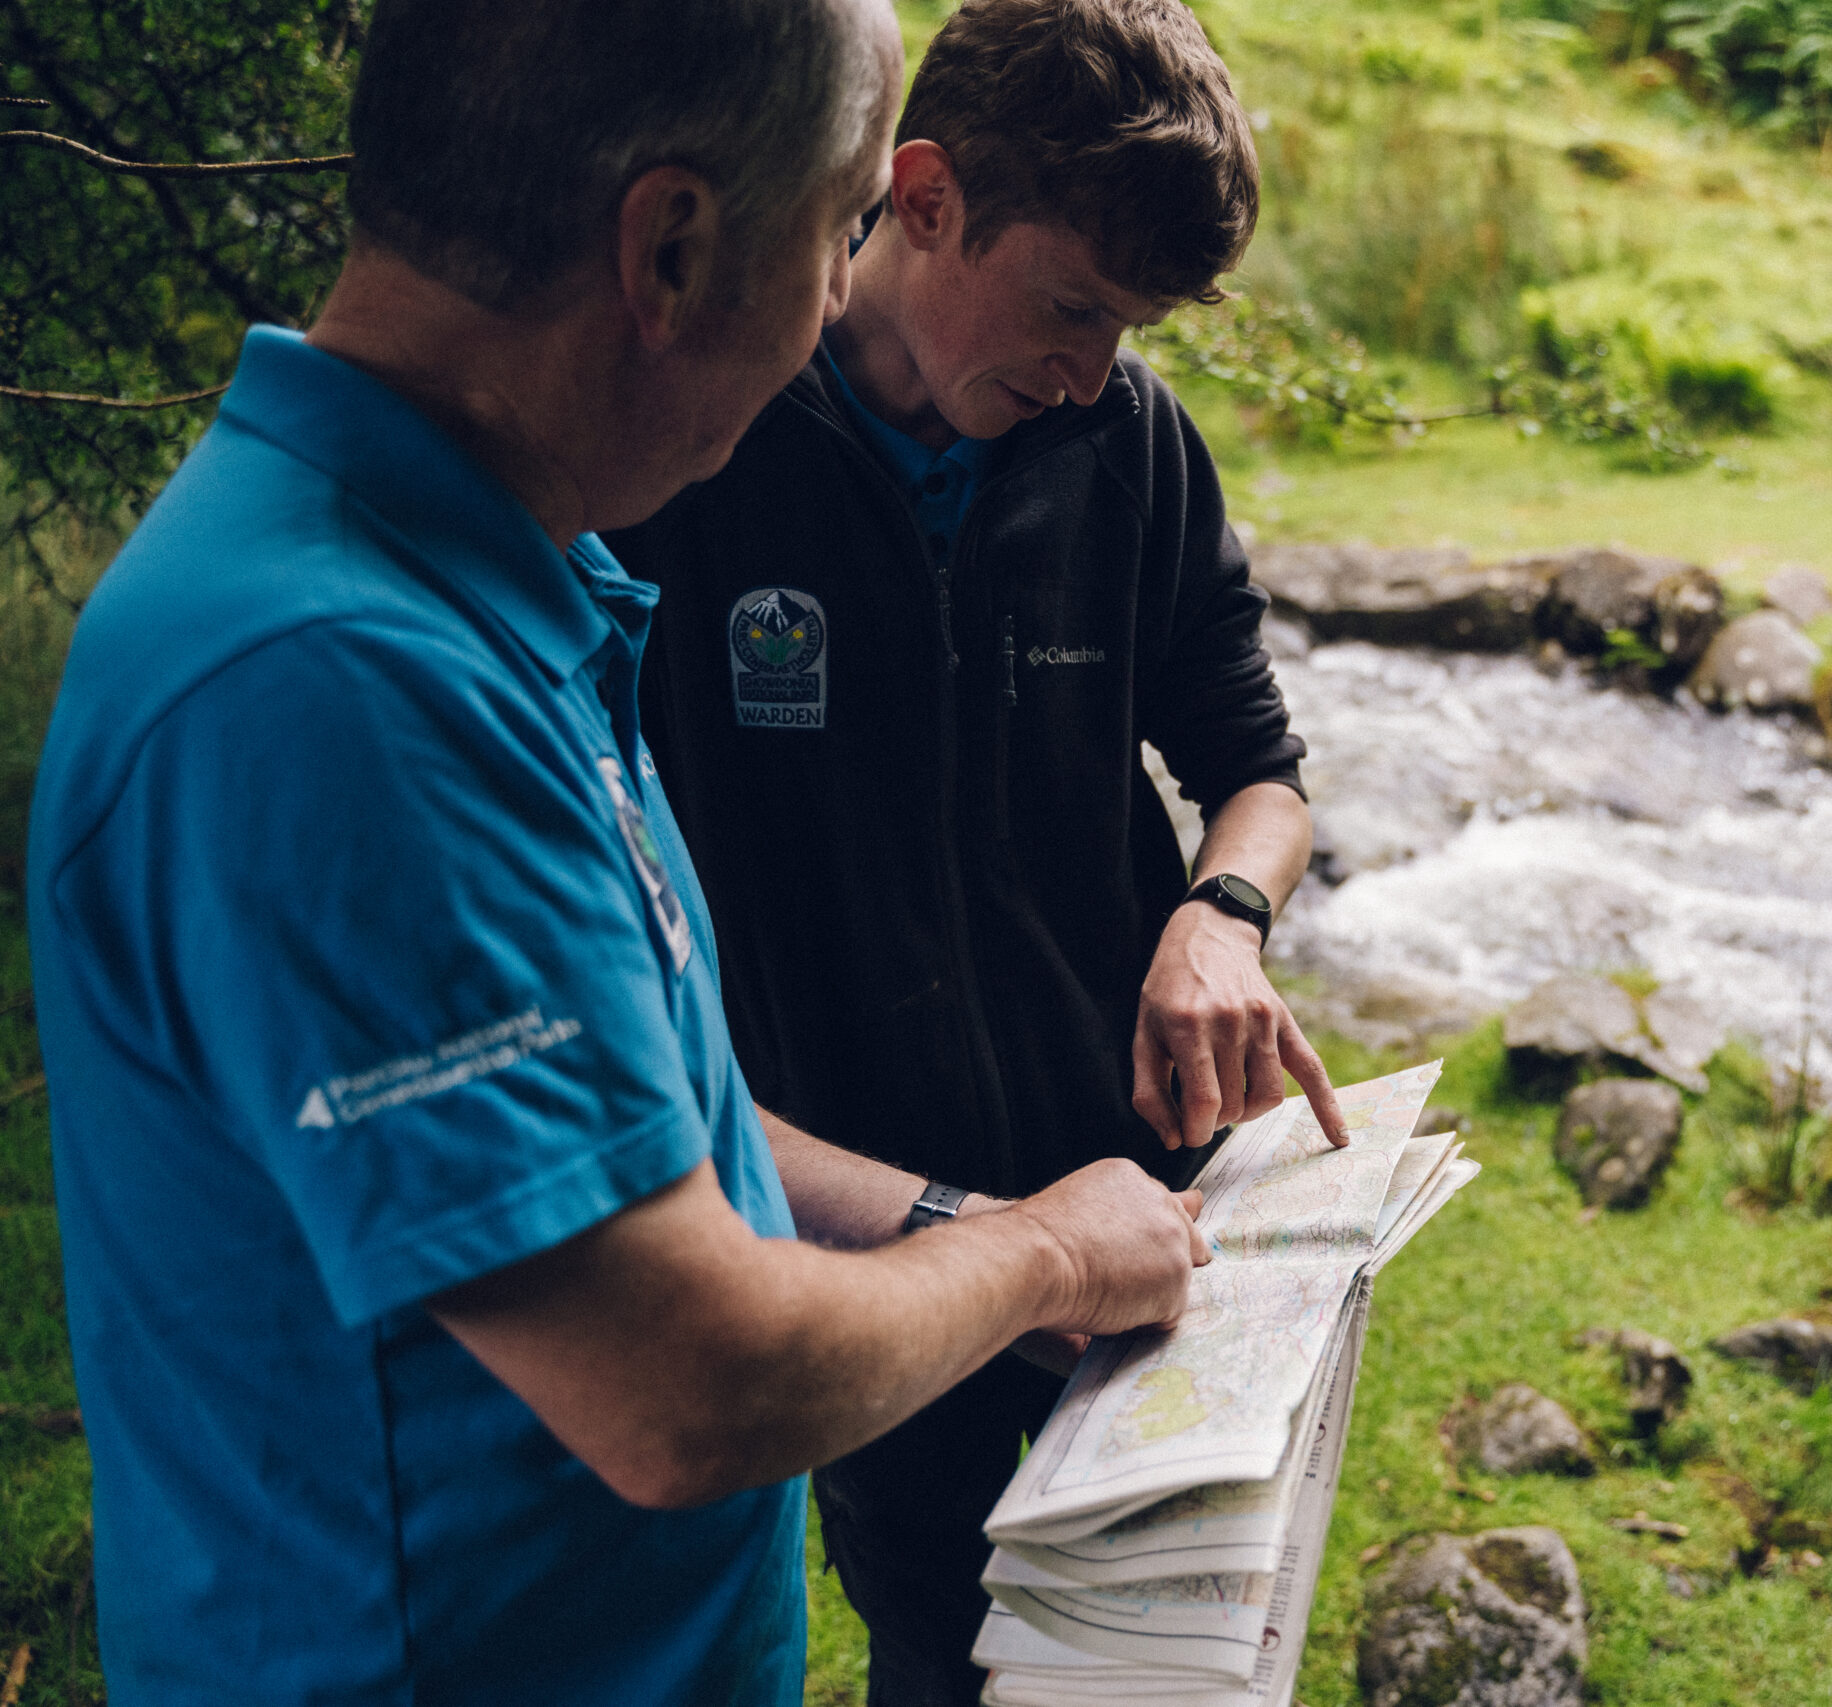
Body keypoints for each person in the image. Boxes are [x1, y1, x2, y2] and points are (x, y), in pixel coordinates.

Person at [26, 1, 1209, 1701]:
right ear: (669, 247)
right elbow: (685, 1388)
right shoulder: (337, 688)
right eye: (837, 229)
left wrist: (976, 1223)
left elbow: (649, 1146)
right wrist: (1039, 1252)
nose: (833, 298)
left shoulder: (483, 598)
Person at [601, 0, 1341, 1697]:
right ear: (920, 196)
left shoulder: (1127, 441)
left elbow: (1260, 770)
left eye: (1132, 328)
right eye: (1074, 306)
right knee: (952, 1653)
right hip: (870, 1237)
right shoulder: (698, 447)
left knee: (1167, 1648)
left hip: (1148, 1207)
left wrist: (1223, 914)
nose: (1092, 371)